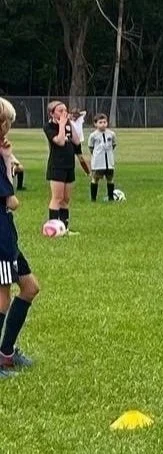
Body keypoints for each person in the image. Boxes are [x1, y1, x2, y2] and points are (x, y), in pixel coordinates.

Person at [0, 97, 41, 377]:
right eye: (7, 123)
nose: (8, 129)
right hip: (0, 235)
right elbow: (11, 201)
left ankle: (6, 353)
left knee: (30, 287)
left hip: (7, 234)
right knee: (2, 298)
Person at [44, 101, 89, 232]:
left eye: (65, 110)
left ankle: (64, 228)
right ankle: (52, 227)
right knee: (57, 198)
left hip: (69, 166)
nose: (64, 113)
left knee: (65, 199)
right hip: (57, 166)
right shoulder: (49, 126)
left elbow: (75, 141)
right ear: (52, 113)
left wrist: (71, 123)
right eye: (60, 111)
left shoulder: (68, 124)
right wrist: (62, 125)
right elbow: (60, 141)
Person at [87, 114, 118, 202]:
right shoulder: (93, 135)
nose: (103, 124)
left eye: (104, 122)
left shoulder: (111, 134)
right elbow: (91, 147)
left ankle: (111, 197)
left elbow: (114, 144)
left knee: (110, 179)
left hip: (109, 161)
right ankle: (93, 198)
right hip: (98, 162)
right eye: (100, 122)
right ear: (95, 124)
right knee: (95, 179)